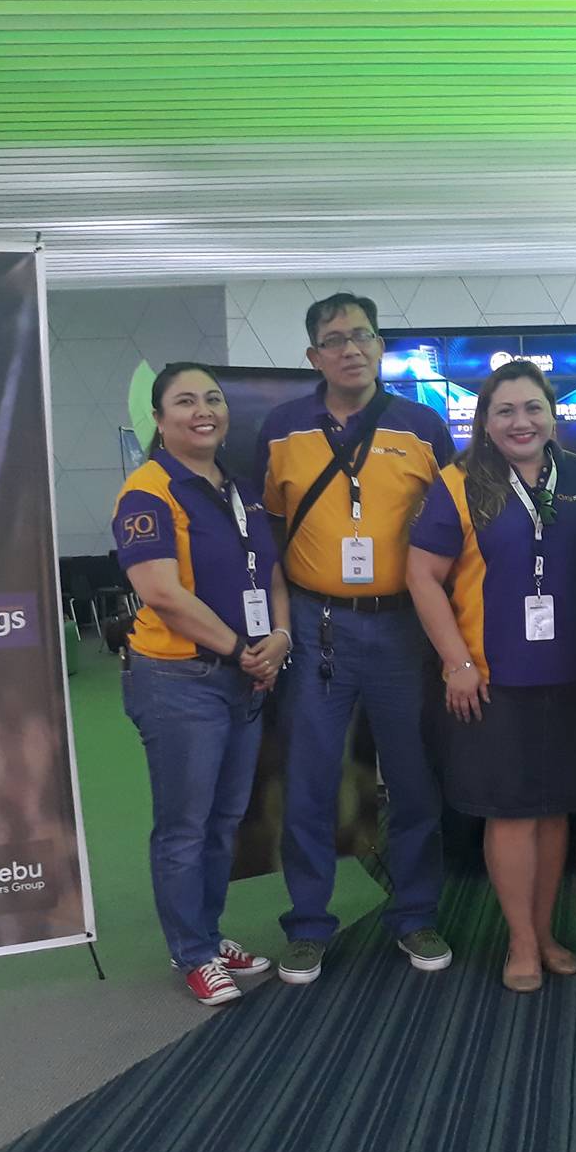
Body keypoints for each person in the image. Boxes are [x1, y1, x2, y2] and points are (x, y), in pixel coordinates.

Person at [253, 294, 456, 985]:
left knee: (413, 781)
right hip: (319, 628)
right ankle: (309, 925)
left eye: (362, 335)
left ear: (380, 346)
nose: (351, 349)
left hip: (404, 626)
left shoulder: (422, 426)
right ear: (314, 356)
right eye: (335, 339)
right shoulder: (282, 429)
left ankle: (416, 914)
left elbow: (452, 529)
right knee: (309, 782)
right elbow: (269, 532)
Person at [407, 361, 576, 993]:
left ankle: (545, 933)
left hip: (574, 675)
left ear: (553, 415)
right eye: (506, 411)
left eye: (533, 408)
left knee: (555, 810)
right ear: (485, 423)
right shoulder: (459, 483)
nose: (522, 422)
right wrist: (457, 662)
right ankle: (519, 940)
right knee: (513, 814)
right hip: (492, 678)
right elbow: (421, 576)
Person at [113, 362, 292, 1006]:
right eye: (185, 401)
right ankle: (190, 952)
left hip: (243, 676)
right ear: (159, 419)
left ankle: (208, 936)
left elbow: (270, 574)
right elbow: (161, 592)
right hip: (178, 681)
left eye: (212, 399)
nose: (203, 411)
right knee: (184, 827)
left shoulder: (240, 488)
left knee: (223, 823)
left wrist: (281, 636)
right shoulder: (148, 491)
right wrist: (243, 650)